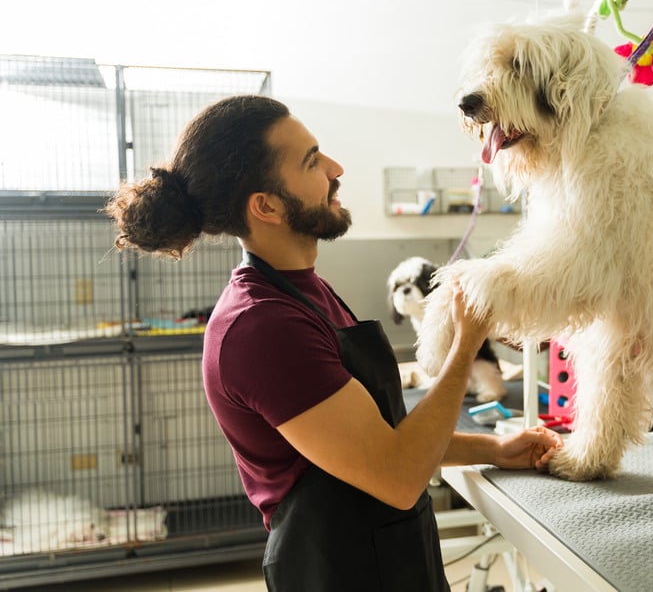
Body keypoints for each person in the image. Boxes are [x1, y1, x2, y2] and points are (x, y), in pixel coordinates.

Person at [104, 94, 563, 591]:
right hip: (343, 571)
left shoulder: (304, 288)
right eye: (311, 161)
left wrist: (496, 448)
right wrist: (466, 343)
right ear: (267, 206)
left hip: (390, 554)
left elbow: (377, 439)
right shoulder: (263, 328)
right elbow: (397, 473)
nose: (335, 168)